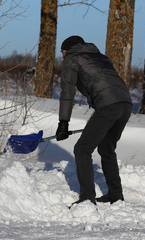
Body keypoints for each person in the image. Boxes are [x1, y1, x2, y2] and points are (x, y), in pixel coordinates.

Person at [55, 35, 132, 206]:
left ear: (68, 50)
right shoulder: (100, 57)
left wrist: (63, 122)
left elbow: (67, 92)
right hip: (125, 104)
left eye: (62, 52)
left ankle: (87, 199)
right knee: (107, 149)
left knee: (82, 149)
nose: (62, 56)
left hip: (108, 106)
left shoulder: (72, 59)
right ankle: (115, 195)